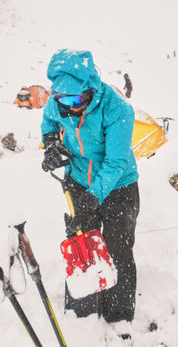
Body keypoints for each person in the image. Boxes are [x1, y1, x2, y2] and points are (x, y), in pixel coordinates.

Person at [41, 49, 139, 325]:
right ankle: (82, 311)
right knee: (82, 241)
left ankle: (119, 315)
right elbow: (48, 119)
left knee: (117, 246)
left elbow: (116, 162)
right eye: (62, 99)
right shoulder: (59, 102)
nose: (69, 107)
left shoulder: (117, 108)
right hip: (78, 180)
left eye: (75, 99)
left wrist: (94, 196)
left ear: (90, 90)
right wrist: (50, 144)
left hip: (119, 186)